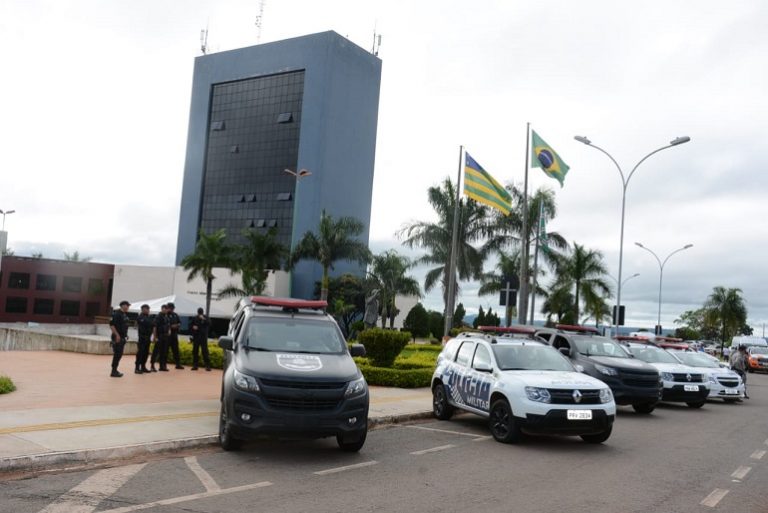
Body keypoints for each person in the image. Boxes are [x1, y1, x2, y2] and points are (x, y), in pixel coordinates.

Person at [109, 300, 131, 378]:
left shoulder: (124, 315)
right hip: (117, 337)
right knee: (117, 354)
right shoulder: (117, 314)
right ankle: (113, 371)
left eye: (128, 306)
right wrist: (117, 335)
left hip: (122, 337)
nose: (128, 307)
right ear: (122, 306)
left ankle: (115, 370)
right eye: (127, 305)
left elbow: (124, 326)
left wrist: (126, 335)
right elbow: (112, 325)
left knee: (119, 354)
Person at [151, 304, 170, 372]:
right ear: (162, 309)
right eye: (164, 308)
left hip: (165, 336)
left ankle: (162, 366)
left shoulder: (166, 317)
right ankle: (152, 365)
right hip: (159, 336)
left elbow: (168, 326)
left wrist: (169, 331)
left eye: (167, 308)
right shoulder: (158, 317)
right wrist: (155, 337)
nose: (165, 310)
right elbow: (155, 327)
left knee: (164, 352)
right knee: (156, 352)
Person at [135, 304, 153, 374]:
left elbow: (152, 325)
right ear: (142, 309)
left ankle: (143, 366)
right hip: (142, 338)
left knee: (146, 353)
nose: (148, 310)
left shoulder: (149, 317)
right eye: (146, 309)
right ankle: (137, 368)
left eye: (148, 309)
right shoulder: (140, 317)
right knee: (140, 353)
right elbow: (143, 327)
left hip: (148, 337)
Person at [166, 302, 184, 370]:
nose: (171, 309)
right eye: (170, 308)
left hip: (174, 335)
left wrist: (177, 325)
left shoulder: (175, 315)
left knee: (176, 350)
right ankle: (164, 365)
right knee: (166, 351)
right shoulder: (165, 315)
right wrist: (171, 326)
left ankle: (178, 364)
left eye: (172, 308)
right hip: (167, 335)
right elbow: (165, 324)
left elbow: (179, 323)